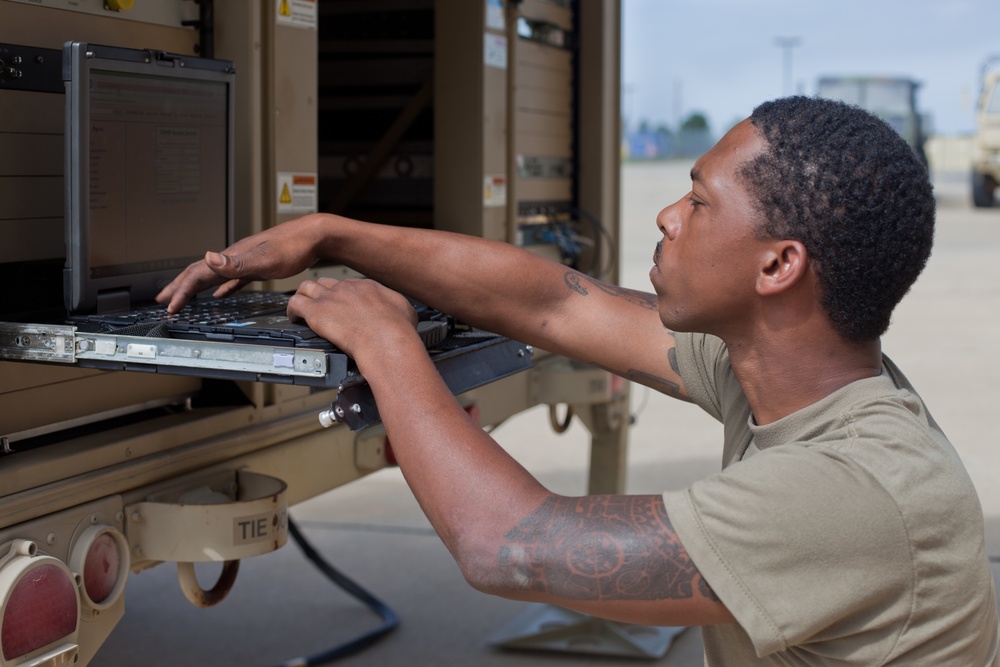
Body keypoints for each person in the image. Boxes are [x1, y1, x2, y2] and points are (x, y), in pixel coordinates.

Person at [157, 96, 999, 665]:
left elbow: (511, 547)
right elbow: (555, 306)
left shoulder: (853, 491)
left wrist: (387, 344)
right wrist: (332, 234)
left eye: (699, 202)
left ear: (779, 264)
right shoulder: (789, 375)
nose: (670, 215)